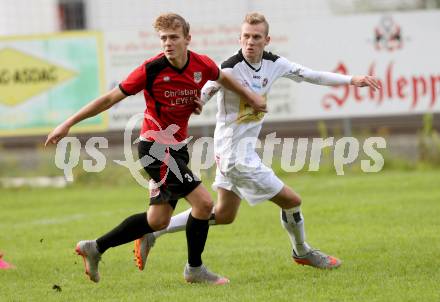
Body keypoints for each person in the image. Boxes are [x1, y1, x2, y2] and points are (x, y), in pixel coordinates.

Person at [134, 12, 380, 272]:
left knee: (225, 215)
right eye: (246, 37)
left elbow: (311, 75)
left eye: (256, 37)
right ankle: (302, 251)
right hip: (234, 155)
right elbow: (205, 89)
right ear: (239, 38)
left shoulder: (275, 64)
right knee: (292, 201)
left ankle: (152, 233)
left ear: (266, 40)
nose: (250, 42)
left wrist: (352, 80)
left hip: (242, 152)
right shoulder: (228, 67)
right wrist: (200, 102)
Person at [45, 13, 265, 284]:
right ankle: (195, 270)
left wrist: (250, 96)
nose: (168, 43)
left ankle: (95, 247)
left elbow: (222, 78)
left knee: (158, 220)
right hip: (155, 149)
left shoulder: (202, 65)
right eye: (163, 38)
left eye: (174, 37)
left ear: (187, 39)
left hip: (178, 148)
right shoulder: (151, 69)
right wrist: (68, 123)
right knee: (205, 203)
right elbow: (109, 98)